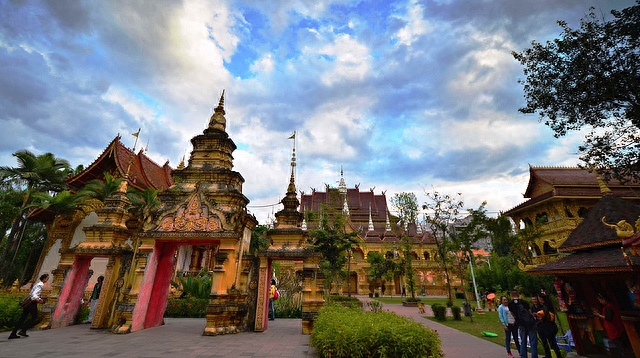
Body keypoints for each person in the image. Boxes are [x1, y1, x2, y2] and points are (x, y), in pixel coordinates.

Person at [9, 273, 49, 339]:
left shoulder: (37, 284)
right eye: (47, 278)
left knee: (23, 317)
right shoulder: (40, 285)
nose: (47, 279)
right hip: (31, 303)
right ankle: (23, 330)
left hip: (28, 302)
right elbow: (34, 294)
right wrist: (39, 299)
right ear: (44, 278)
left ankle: (13, 333)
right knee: (34, 316)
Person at [509, 290, 538, 358]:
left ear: (511, 296)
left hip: (521, 324)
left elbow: (512, 313)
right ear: (518, 295)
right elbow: (530, 312)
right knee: (533, 341)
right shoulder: (524, 302)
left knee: (523, 341)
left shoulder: (510, 304)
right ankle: (534, 356)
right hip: (530, 323)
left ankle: (524, 356)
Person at [536, 292, 562, 358]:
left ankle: (556, 355)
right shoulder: (548, 304)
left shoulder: (546, 306)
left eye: (539, 298)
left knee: (551, 343)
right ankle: (552, 355)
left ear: (541, 298)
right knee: (551, 342)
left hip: (547, 326)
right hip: (549, 326)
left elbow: (546, 315)